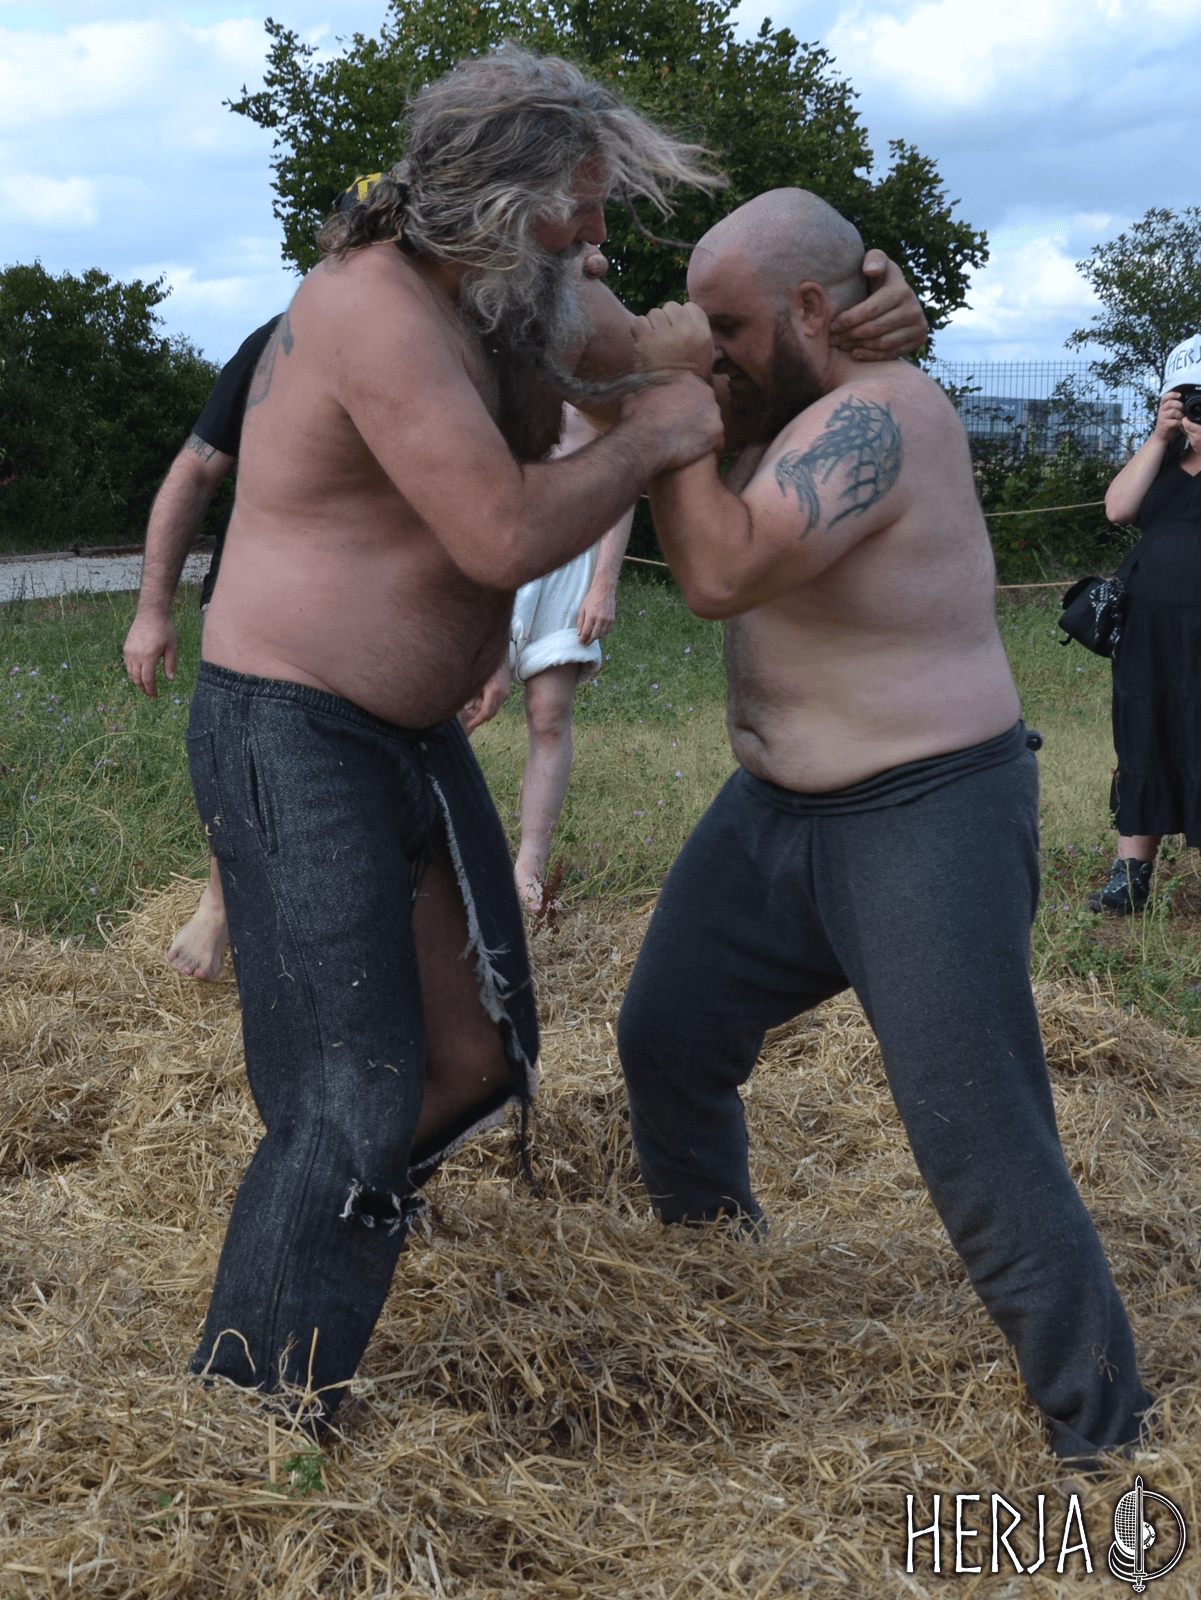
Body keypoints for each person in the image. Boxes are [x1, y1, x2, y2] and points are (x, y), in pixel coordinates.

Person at [184, 47, 930, 1426]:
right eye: (576, 203)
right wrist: (649, 437)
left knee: (476, 1058)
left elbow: (714, 376)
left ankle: (325, 1233)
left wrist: (874, 306)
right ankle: (255, 1407)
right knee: (352, 1085)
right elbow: (501, 531)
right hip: (289, 721)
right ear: (492, 194)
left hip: (404, 735)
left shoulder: (526, 300)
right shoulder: (371, 308)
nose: (597, 230)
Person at [616, 187, 1152, 1463]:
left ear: (811, 308)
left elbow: (718, 572)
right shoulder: (785, 400)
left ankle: (1107, 1441)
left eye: (729, 326)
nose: (712, 350)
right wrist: (669, 374)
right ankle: (713, 1277)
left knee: (978, 1138)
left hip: (922, 811)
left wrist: (668, 393)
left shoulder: (880, 417)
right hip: (772, 815)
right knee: (667, 1036)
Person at [122, 316, 283, 979]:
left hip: (380, 609)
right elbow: (195, 471)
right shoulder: (280, 340)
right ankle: (219, 903)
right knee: (240, 754)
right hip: (254, 592)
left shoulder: (444, 336)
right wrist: (151, 610)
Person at [461, 399, 634, 908]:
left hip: (571, 559)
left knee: (550, 715)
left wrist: (604, 583)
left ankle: (529, 870)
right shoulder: (501, 368)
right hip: (499, 544)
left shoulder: (602, 379)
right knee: (461, 707)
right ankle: (432, 849)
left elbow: (622, 482)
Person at [1088, 334, 1201, 914]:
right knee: (1144, 737)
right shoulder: (1164, 458)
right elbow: (1118, 509)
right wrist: (1160, 436)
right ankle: (1129, 878)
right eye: (1188, 395)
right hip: (1149, 629)